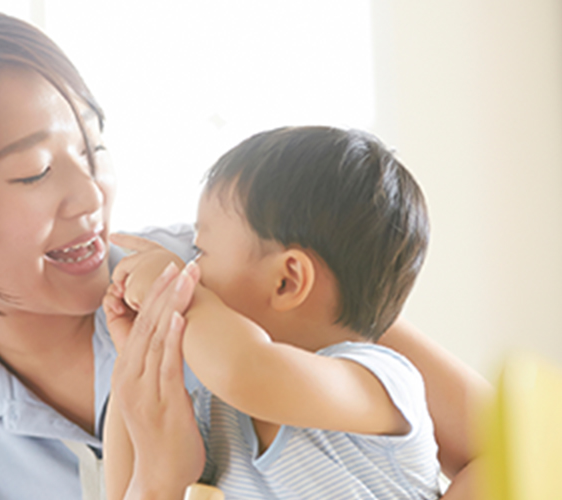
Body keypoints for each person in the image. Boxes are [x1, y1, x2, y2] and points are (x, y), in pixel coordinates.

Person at [0, 10, 487, 500]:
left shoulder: (230, 275)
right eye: (33, 171)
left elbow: (519, 450)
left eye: (93, 151)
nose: (90, 196)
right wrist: (155, 485)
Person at [104, 126, 479, 499]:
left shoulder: (379, 380)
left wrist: (170, 289)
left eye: (200, 253)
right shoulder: (219, 411)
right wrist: (136, 361)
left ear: (287, 281)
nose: (191, 271)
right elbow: (125, 489)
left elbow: (246, 369)